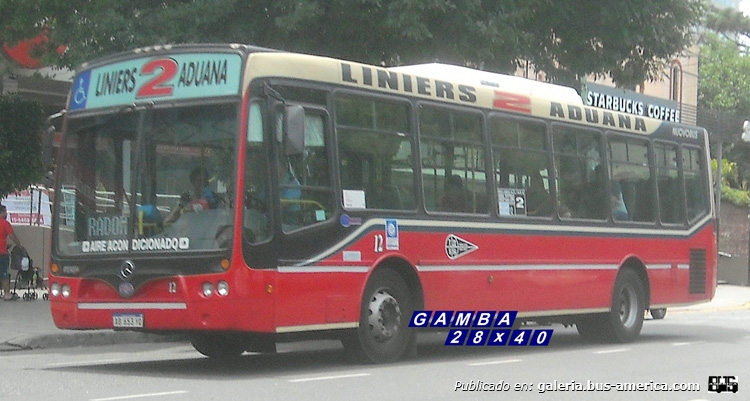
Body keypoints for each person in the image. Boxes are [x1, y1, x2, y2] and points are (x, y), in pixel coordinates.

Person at [0, 205, 23, 301]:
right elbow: (12, 236)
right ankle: (7, 294)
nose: (6, 214)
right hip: (2, 253)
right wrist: (19, 245)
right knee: (4, 273)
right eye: (5, 212)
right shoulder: (5, 223)